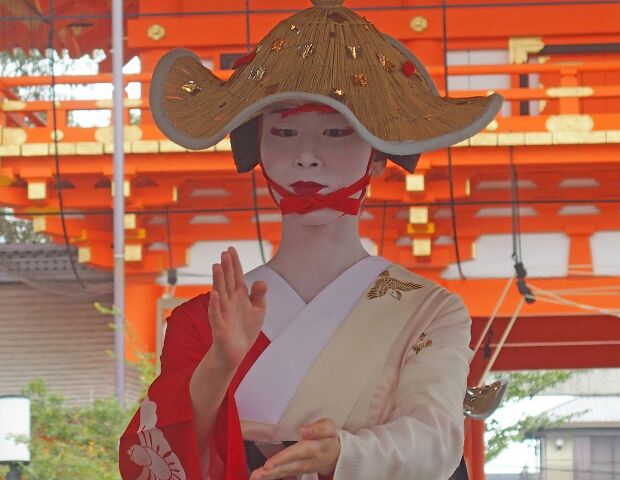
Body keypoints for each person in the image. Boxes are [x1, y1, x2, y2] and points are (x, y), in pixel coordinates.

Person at [119, 1, 502, 479]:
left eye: (336, 132)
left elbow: (435, 440)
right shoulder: (203, 321)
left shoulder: (430, 310)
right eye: (283, 131)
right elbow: (155, 462)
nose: (306, 155)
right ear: (256, 146)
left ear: (378, 154)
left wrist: (346, 453)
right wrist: (220, 362)